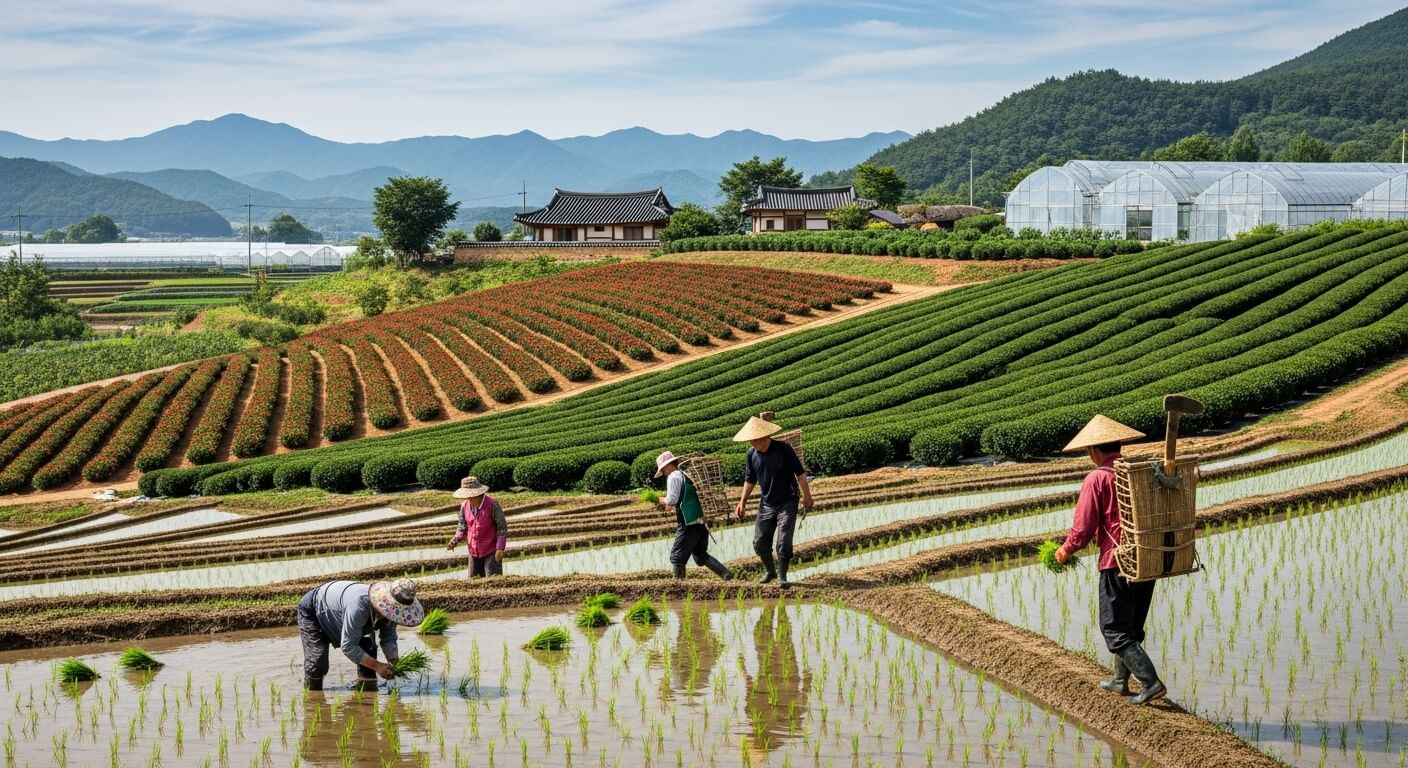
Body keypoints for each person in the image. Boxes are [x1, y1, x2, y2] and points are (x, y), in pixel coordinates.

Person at [1054, 415, 1167, 705]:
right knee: (1131, 626)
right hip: (1146, 557)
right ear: (1119, 445)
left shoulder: (1098, 478)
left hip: (1116, 561)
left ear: (1093, 450)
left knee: (1115, 628)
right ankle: (1120, 680)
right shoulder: (1137, 472)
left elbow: (1084, 527)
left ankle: (1150, 682)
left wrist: (1067, 549)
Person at [296, 578, 425, 692]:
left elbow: (388, 637)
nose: (392, 616)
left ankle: (366, 696)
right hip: (314, 610)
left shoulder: (393, 614)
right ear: (384, 602)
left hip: (344, 613)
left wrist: (393, 661)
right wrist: (378, 666)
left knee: (368, 650)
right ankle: (312, 697)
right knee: (318, 662)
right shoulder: (359, 606)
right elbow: (348, 646)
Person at [732, 416, 812, 588]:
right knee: (760, 542)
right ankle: (770, 571)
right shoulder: (751, 454)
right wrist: (742, 502)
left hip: (787, 501)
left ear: (764, 437)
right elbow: (750, 479)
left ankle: (782, 577)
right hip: (767, 503)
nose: (752, 444)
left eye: (754, 440)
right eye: (750, 441)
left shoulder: (784, 449)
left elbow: (800, 473)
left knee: (783, 541)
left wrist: (807, 496)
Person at [654, 451, 732, 581]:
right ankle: (726, 575)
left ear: (667, 465)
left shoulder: (673, 476)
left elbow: (671, 499)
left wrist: (661, 500)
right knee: (700, 555)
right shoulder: (685, 474)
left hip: (688, 522)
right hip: (699, 520)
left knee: (677, 557)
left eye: (663, 468)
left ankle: (679, 587)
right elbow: (684, 496)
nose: (663, 472)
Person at [446, 475, 508, 577]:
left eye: (470, 496)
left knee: (493, 581)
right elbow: (462, 525)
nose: (468, 498)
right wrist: (456, 539)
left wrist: (500, 548)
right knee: (474, 581)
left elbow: (502, 527)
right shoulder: (464, 506)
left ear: (478, 494)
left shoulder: (492, 505)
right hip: (473, 550)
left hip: (491, 551)